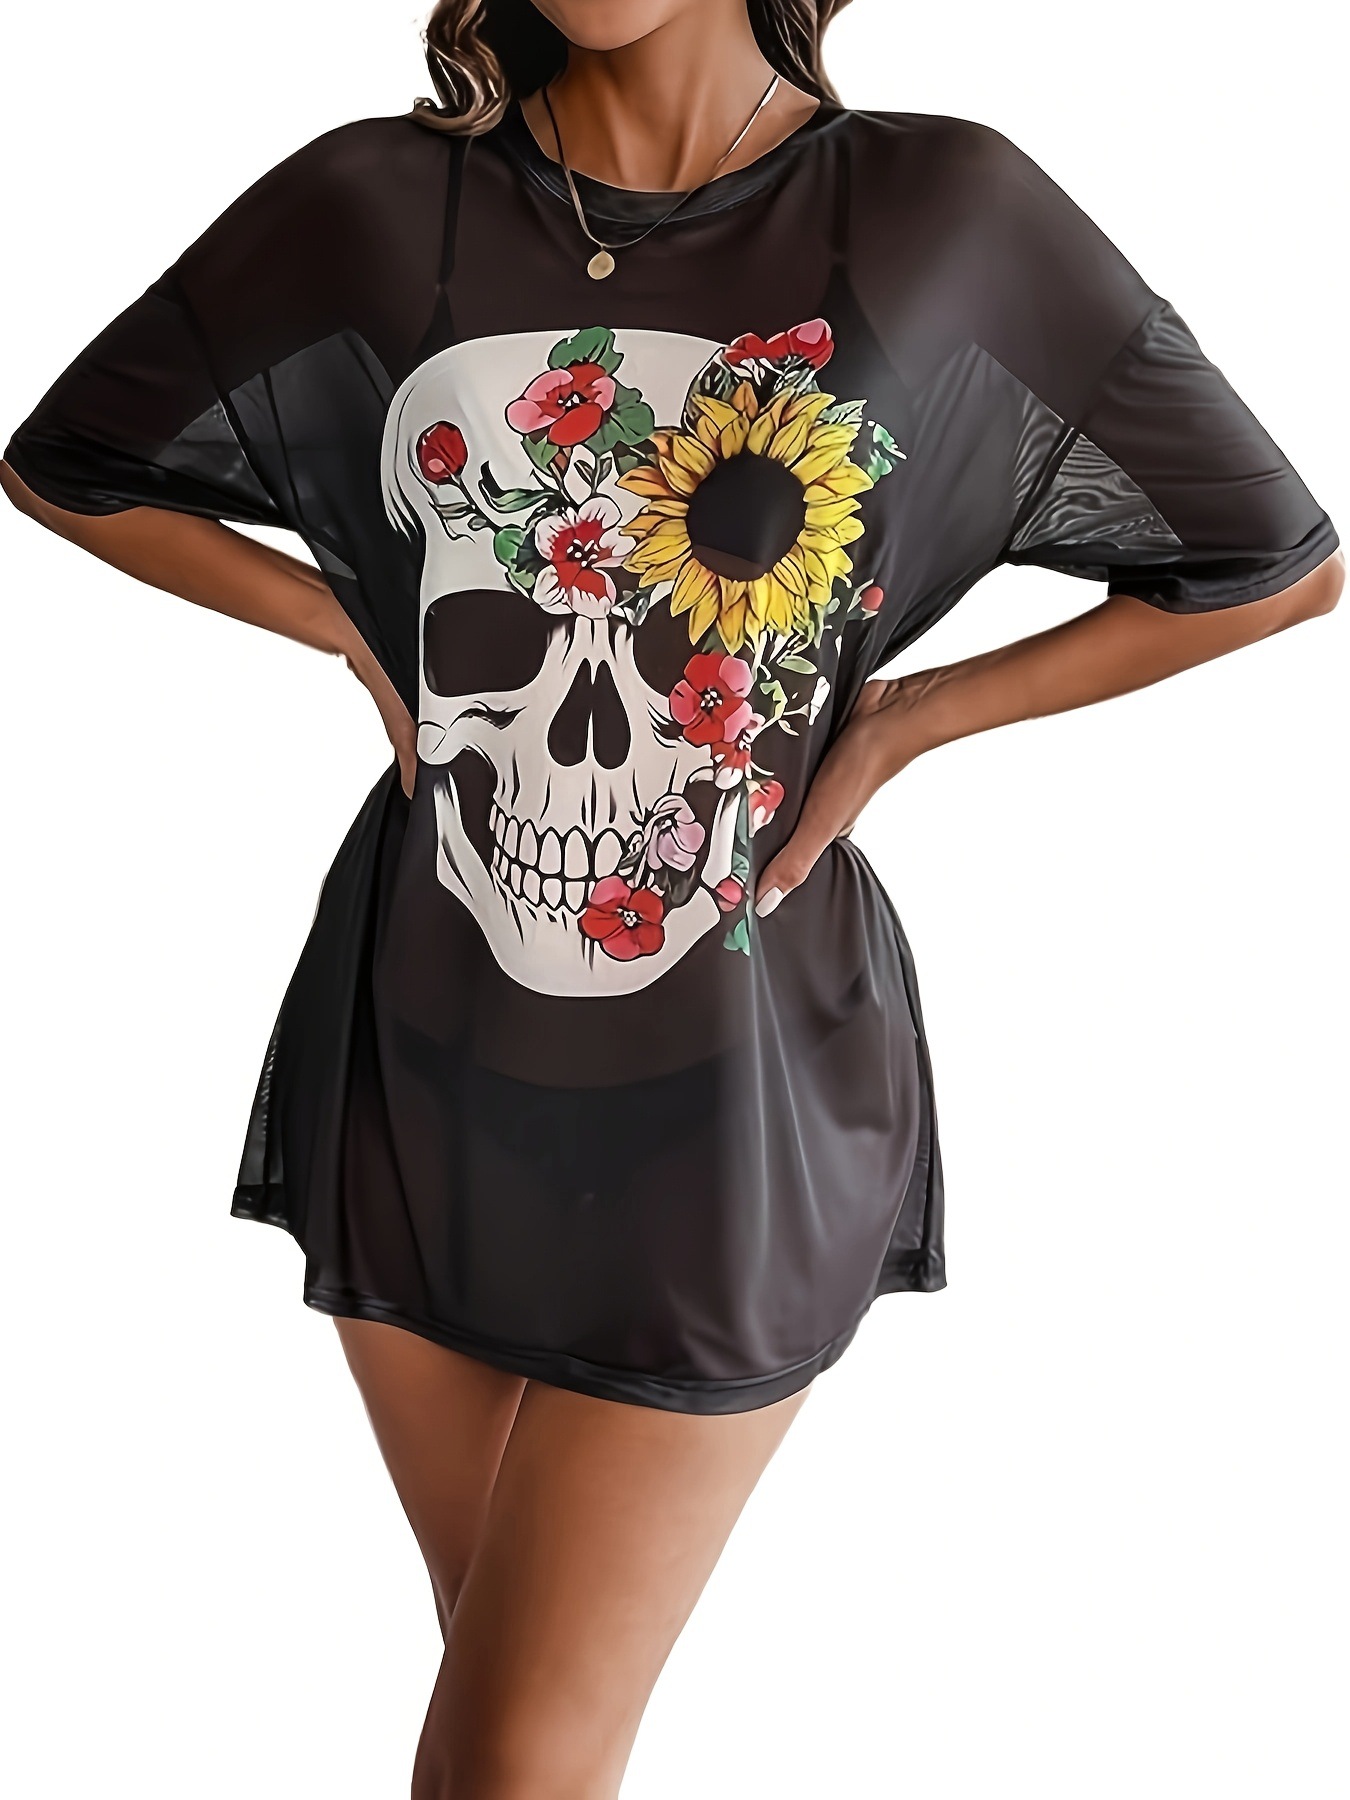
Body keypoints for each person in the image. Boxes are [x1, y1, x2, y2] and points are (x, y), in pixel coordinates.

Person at [2, 1, 1340, 1793]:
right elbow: (69, 464)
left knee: (509, 1760)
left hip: (739, 1092)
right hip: (418, 1052)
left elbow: (1268, 563)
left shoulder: (944, 208)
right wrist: (343, 628)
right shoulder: (376, 201)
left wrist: (910, 721)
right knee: (523, 1737)